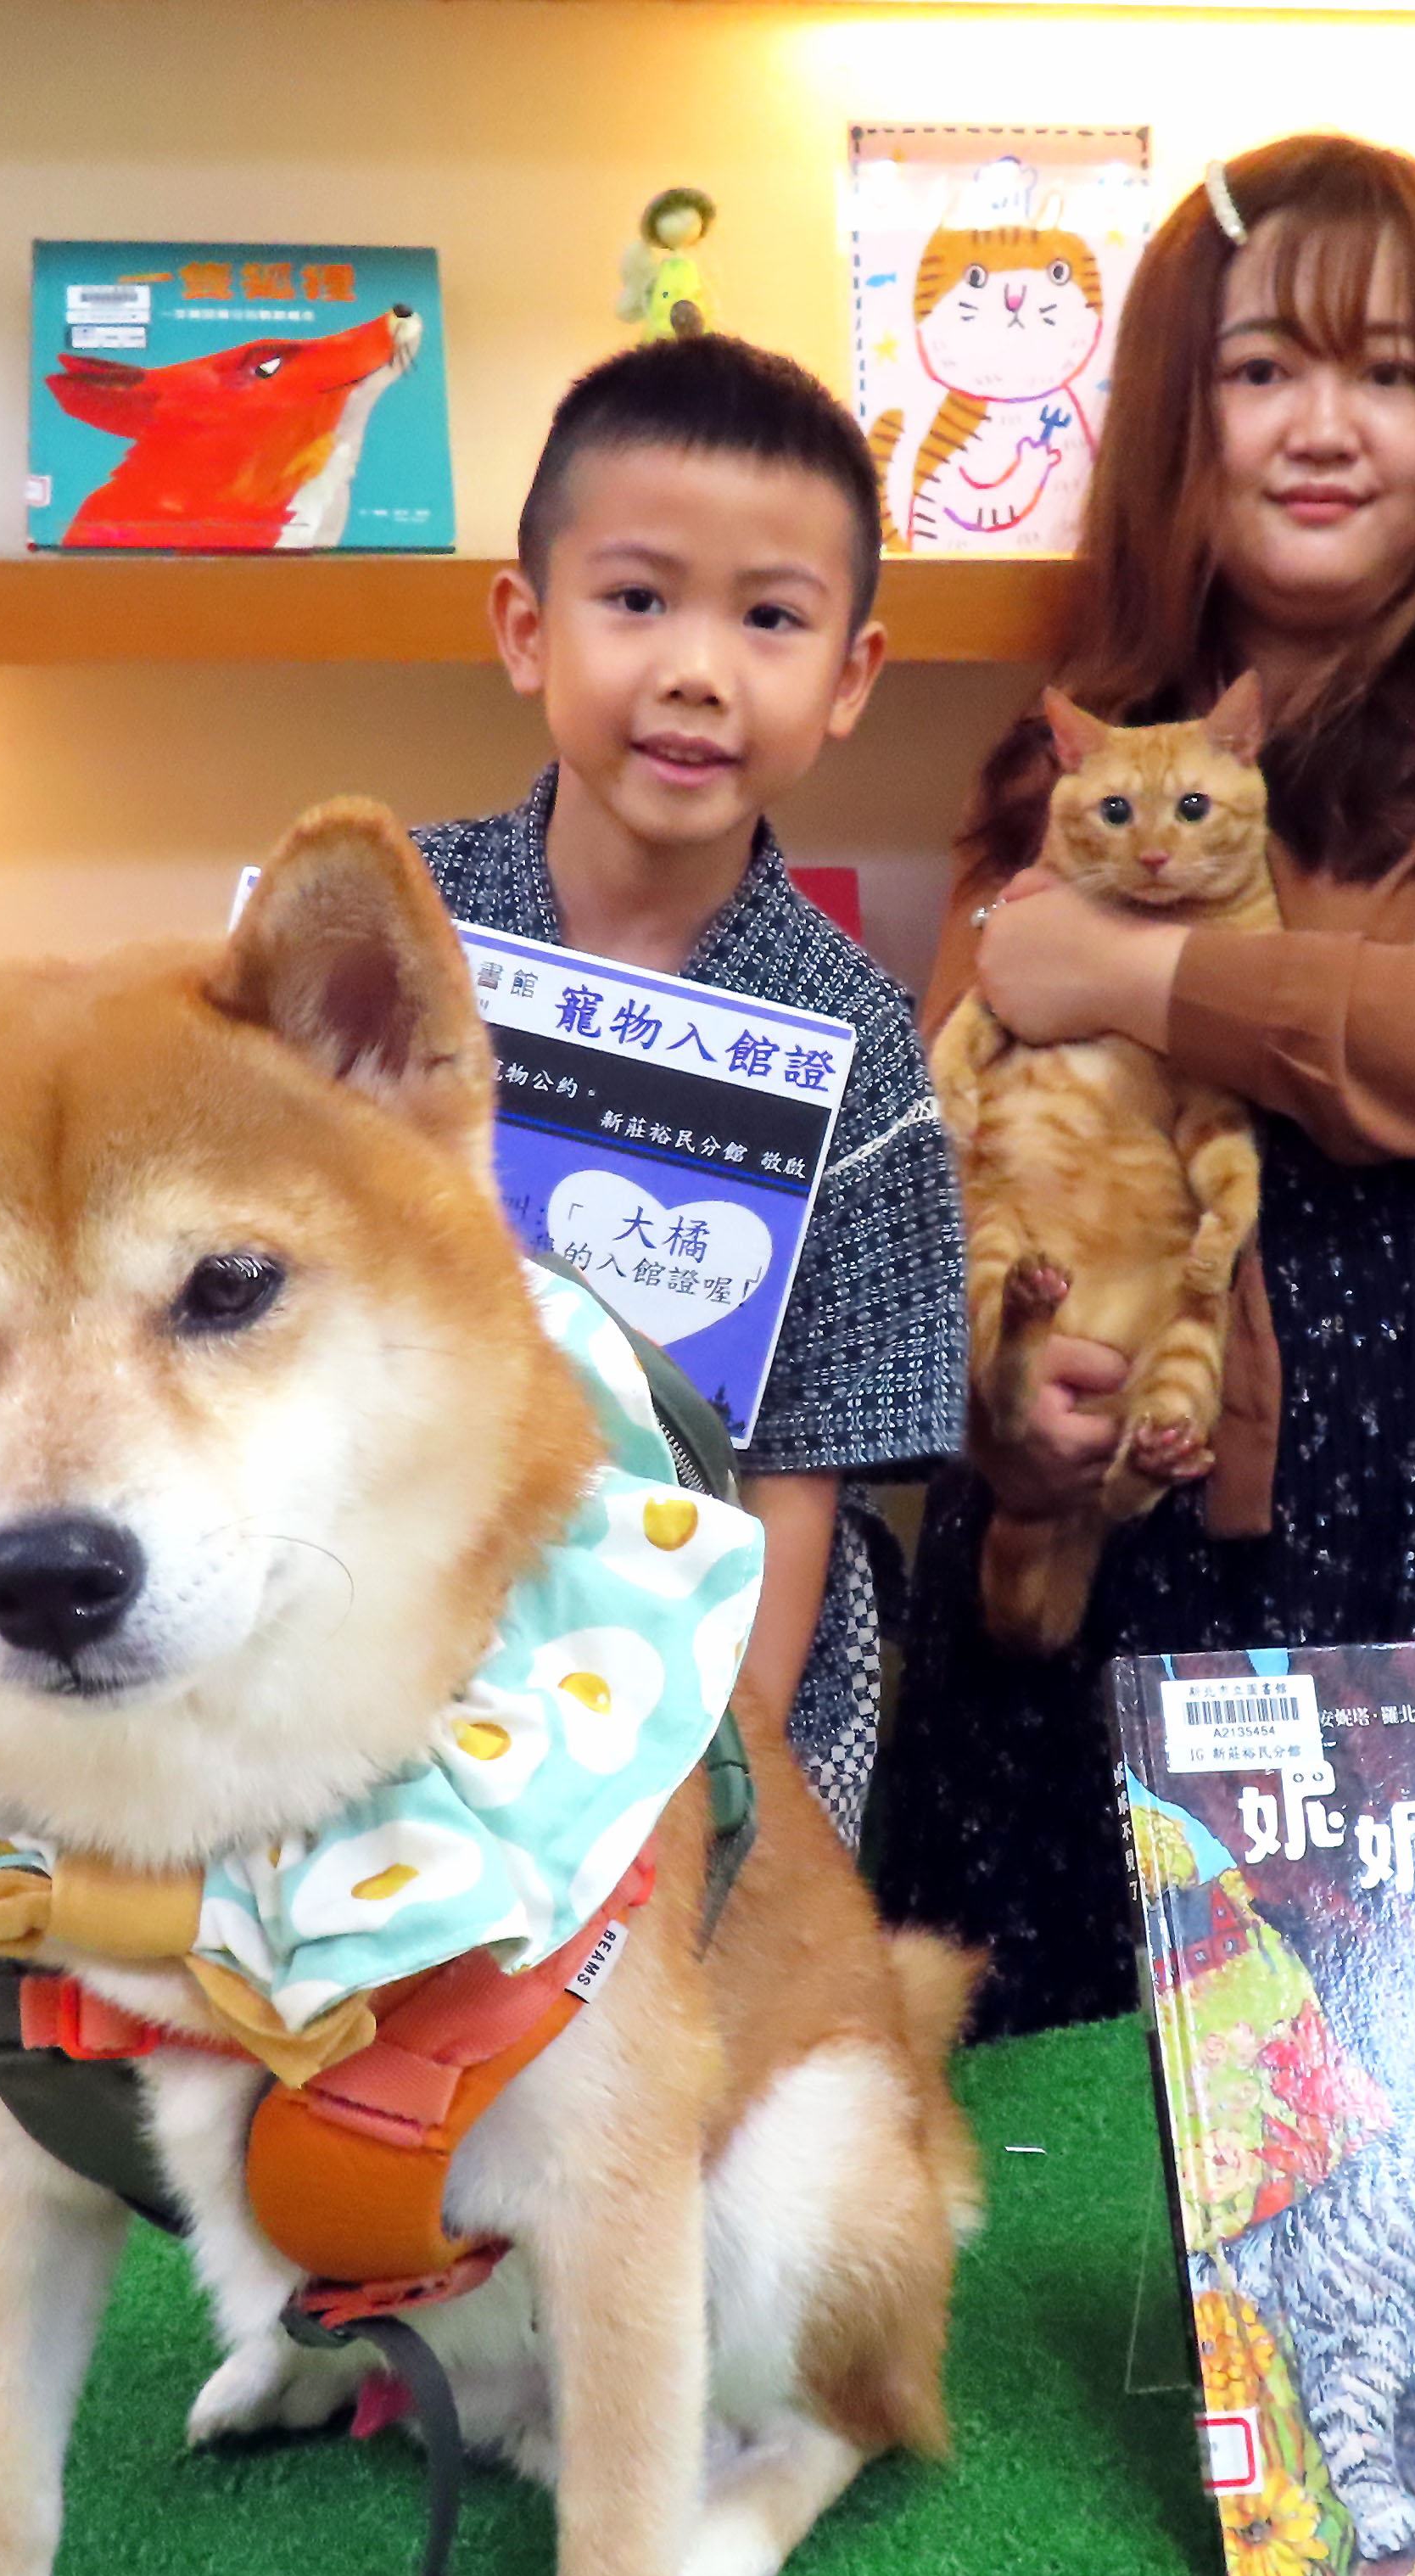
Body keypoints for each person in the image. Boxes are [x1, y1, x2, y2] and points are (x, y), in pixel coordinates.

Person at [876, 136, 1415, 2035]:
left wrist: (1141, 973)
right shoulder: (1079, 732)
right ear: (1179, 412)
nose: (1324, 428)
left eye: (1392, 373)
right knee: (1074, 2142)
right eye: (1263, 370)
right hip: (1128, 1527)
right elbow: (953, 1162)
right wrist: (1009, 1404)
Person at [409, 332, 968, 1849]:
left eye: (770, 617)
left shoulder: (848, 1035)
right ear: (528, 628)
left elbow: (804, 1467)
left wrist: (733, 1773)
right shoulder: (398, 928)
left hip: (706, 1638)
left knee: (700, 2042)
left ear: (850, 676)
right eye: (637, 599)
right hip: (398, 1567)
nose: (696, 670)